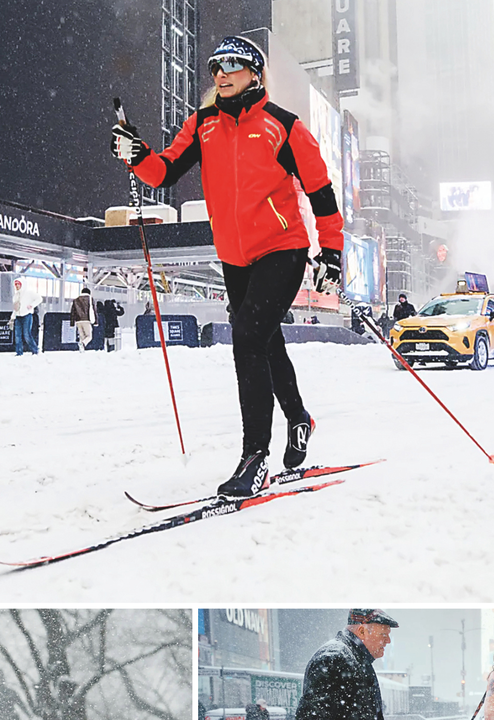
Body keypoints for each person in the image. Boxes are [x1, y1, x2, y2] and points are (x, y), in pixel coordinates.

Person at [112, 35, 344, 497]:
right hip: (235, 256)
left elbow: (320, 192)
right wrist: (136, 153)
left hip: (283, 247)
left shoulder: (284, 126)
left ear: (255, 74)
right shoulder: (203, 125)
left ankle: (254, 455)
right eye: (217, 65)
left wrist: (332, 253)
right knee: (265, 341)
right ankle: (299, 417)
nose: (222, 72)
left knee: (247, 338)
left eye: (234, 65)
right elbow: (163, 172)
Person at [294, 609, 398, 720]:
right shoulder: (334, 658)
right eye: (383, 634)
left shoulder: (355, 659)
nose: (388, 641)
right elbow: (312, 716)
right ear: (362, 631)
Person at [11, 277, 42, 356]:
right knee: (17, 335)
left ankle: (35, 350)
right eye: (16, 284)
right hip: (18, 317)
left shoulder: (29, 293)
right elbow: (15, 308)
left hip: (27, 316)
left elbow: (39, 298)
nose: (17, 286)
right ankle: (19, 352)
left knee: (26, 334)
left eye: (18, 284)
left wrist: (32, 305)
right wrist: (12, 317)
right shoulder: (16, 296)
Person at [70, 287, 97, 351]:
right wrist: (96, 321)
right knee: (89, 336)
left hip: (78, 320)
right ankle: (83, 343)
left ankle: (82, 350)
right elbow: (94, 310)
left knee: (82, 336)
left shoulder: (76, 300)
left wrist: (72, 322)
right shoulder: (90, 299)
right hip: (86, 320)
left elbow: (73, 312)